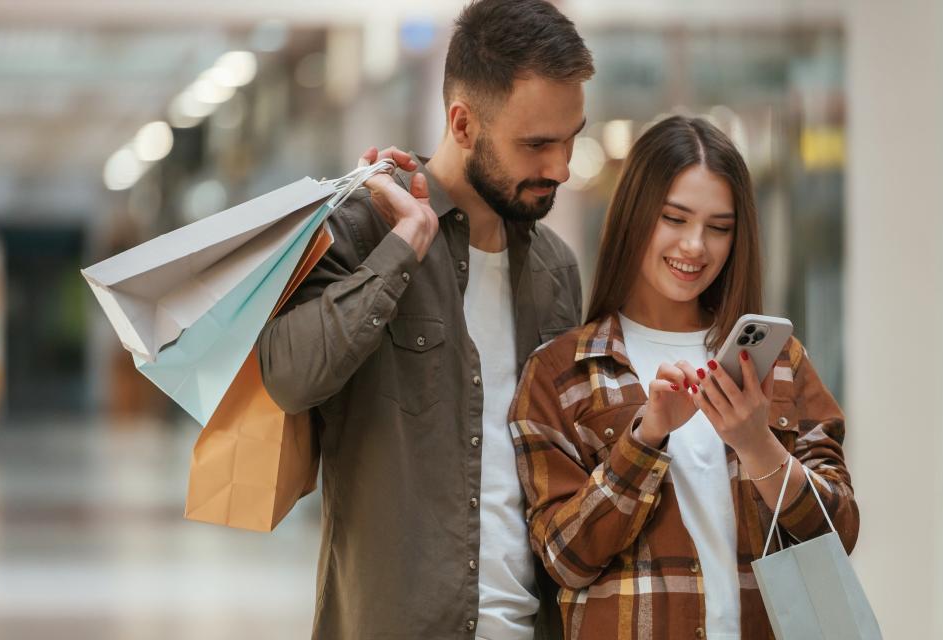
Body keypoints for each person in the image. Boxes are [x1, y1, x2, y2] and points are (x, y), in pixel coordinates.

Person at [255, 1, 593, 638]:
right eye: (537, 144)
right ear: (462, 124)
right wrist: (400, 255)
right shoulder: (359, 229)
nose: (562, 168)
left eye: (571, 138)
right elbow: (288, 377)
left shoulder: (556, 271)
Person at [508, 116, 860, 639]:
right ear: (634, 216)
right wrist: (646, 438)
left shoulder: (778, 363)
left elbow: (839, 533)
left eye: (719, 227)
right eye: (675, 219)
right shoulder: (561, 374)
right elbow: (566, 559)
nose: (695, 246)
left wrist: (758, 444)